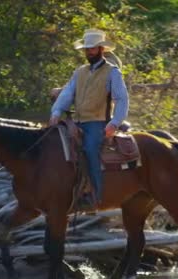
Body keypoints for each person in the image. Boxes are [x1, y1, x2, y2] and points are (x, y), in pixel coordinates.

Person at [49, 28, 129, 207]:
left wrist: (115, 123)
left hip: (97, 122)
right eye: (87, 49)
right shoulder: (80, 72)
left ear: (101, 49)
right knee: (54, 145)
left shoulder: (112, 72)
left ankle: (95, 194)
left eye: (92, 49)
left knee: (90, 150)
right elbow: (67, 93)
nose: (89, 52)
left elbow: (122, 99)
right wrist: (56, 112)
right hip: (76, 121)